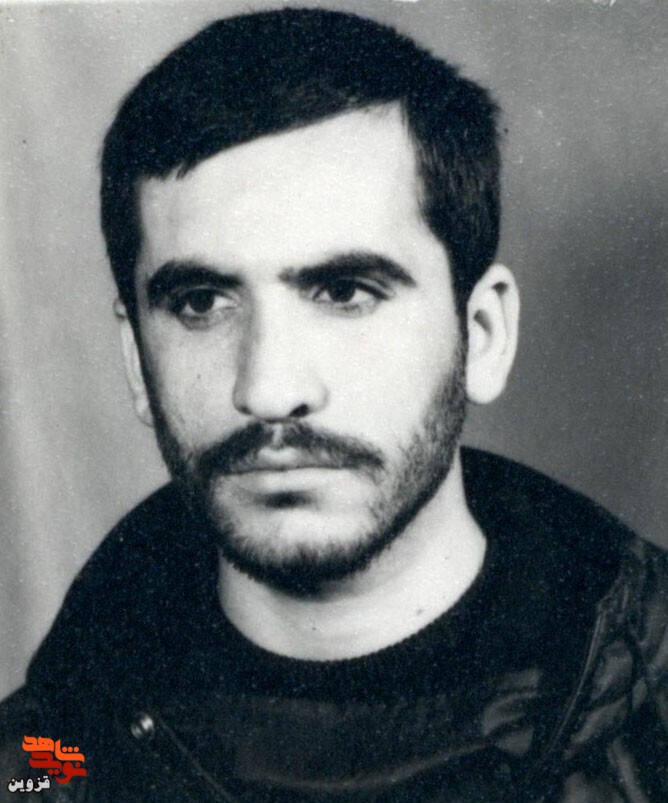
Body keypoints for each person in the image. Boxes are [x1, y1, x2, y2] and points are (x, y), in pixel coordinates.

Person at [1, 8, 666, 802]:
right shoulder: (44, 765)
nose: (269, 387)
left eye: (345, 291)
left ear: (483, 334)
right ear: (136, 361)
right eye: (201, 302)